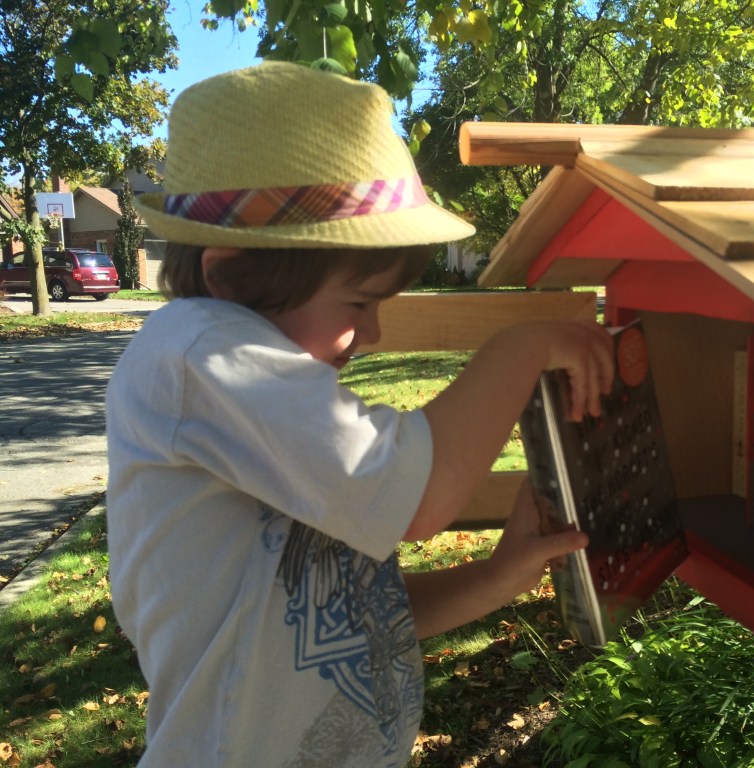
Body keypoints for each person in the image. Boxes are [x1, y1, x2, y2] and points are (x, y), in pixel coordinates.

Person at [105, 61, 613, 767]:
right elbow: (417, 503)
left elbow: (354, 618)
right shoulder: (195, 350)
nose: (371, 336)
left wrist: (495, 579)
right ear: (229, 277)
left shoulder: (255, 403)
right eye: (358, 304)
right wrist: (520, 350)